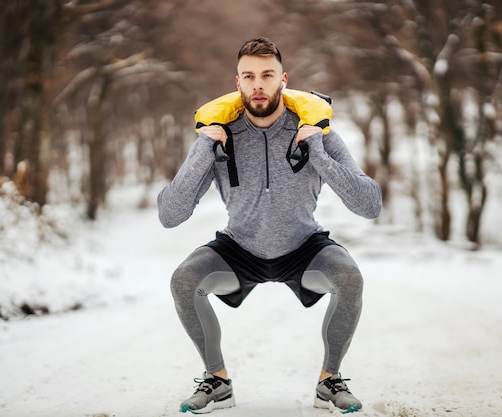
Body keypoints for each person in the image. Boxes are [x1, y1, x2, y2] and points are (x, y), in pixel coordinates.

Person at [157, 37, 382, 414]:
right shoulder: (219, 135)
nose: (258, 84)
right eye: (249, 76)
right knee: (183, 280)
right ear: (238, 83)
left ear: (283, 79)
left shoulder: (317, 131)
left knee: (349, 278)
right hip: (238, 249)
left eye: (267, 75)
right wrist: (201, 149)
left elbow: (370, 205)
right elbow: (170, 215)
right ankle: (217, 381)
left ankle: (330, 381)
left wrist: (319, 154)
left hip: (304, 247)